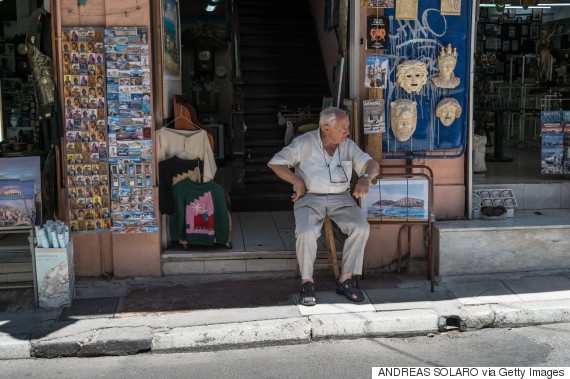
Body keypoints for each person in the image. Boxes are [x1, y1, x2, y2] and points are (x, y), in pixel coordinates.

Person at [267, 107, 379, 306]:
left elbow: (372, 165)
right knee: (306, 231)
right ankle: (307, 282)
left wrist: (365, 177)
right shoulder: (303, 142)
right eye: (343, 127)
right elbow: (276, 163)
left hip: (341, 198)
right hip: (310, 198)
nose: (347, 131)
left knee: (361, 227)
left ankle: (346, 279)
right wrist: (298, 182)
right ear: (326, 127)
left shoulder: (348, 145)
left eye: (347, 127)